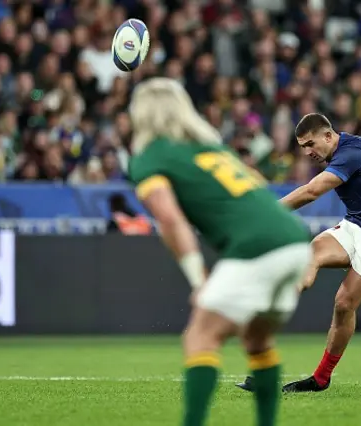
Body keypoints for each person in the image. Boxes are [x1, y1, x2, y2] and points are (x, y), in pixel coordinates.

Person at [127, 78, 312, 426]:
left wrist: (199, 278)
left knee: (200, 336)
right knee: (258, 340)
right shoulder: (214, 149)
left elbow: (170, 220)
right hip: (294, 239)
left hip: (257, 248)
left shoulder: (150, 158)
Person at [237, 113, 361, 393]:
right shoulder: (341, 152)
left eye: (310, 144)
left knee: (343, 304)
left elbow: (312, 192)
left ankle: (321, 378)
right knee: (307, 258)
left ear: (328, 136)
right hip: (356, 225)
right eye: (302, 146)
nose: (307, 152)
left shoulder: (353, 153)